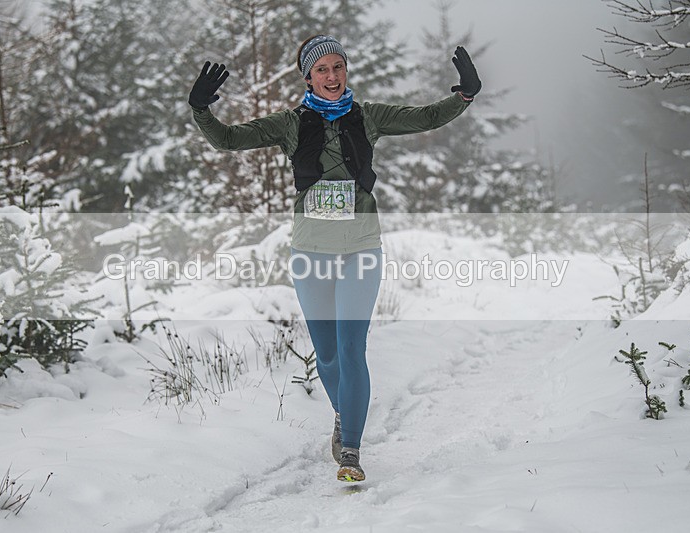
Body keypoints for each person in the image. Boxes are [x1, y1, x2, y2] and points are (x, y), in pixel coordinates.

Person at [189, 35, 481, 482]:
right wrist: (201, 110)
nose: (332, 76)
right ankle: (344, 415)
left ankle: (351, 451)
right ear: (308, 77)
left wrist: (464, 95)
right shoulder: (290, 124)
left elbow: (425, 117)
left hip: (361, 248)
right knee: (326, 356)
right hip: (310, 252)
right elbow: (228, 140)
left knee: (350, 348)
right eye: (322, 69)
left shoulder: (369, 116)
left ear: (346, 71)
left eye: (338, 67)